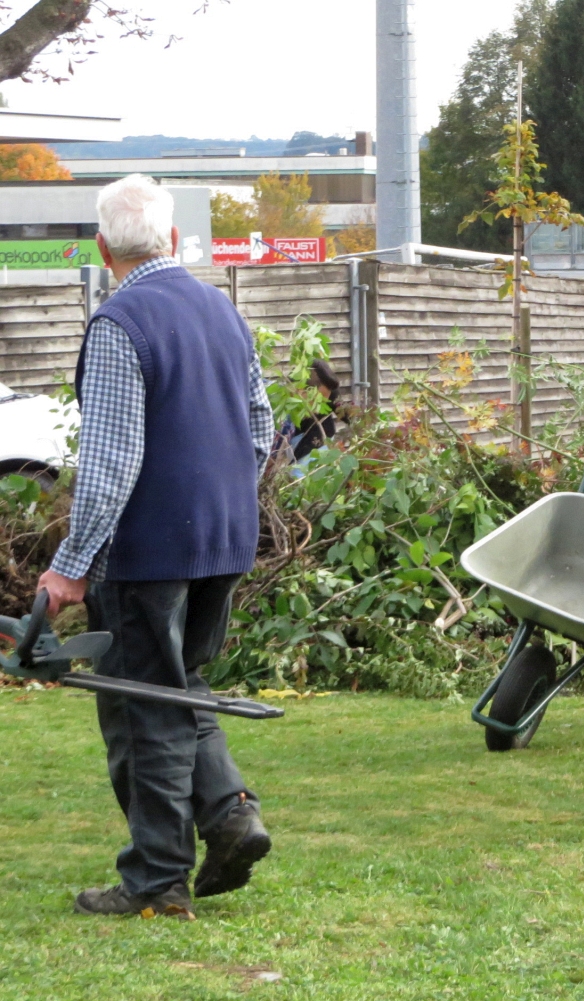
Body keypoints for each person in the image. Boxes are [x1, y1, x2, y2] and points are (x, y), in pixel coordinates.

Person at [37, 174, 275, 920]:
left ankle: (156, 879)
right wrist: (227, 504)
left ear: (103, 247)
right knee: (182, 686)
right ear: (172, 240)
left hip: (149, 550)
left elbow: (111, 463)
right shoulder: (223, 312)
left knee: (143, 706)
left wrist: (70, 566)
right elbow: (263, 429)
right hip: (226, 538)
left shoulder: (119, 323)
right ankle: (232, 813)